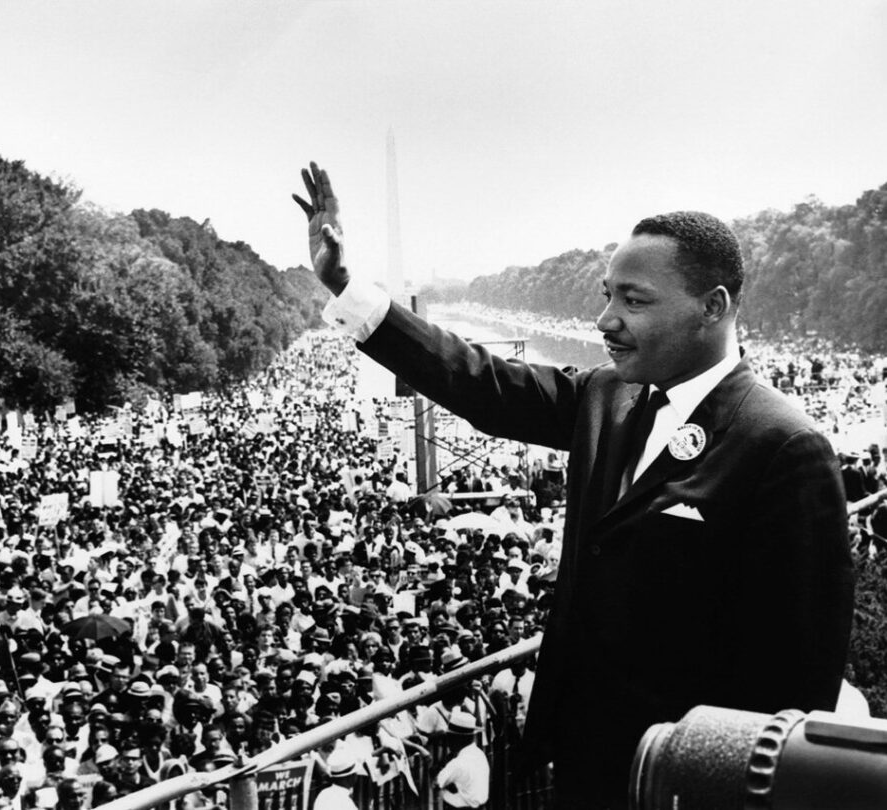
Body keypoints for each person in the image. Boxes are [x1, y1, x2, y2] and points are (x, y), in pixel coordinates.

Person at [294, 162, 854, 808]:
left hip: (685, 783)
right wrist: (344, 284)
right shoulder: (605, 395)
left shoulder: (784, 446)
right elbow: (477, 381)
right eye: (606, 294)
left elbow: (797, 679)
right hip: (582, 763)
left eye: (634, 300)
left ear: (714, 307)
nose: (605, 319)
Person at [434, 710, 489, 809]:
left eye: (450, 737)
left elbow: (438, 783)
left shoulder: (458, 763)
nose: (448, 741)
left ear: (457, 738)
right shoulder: (480, 755)